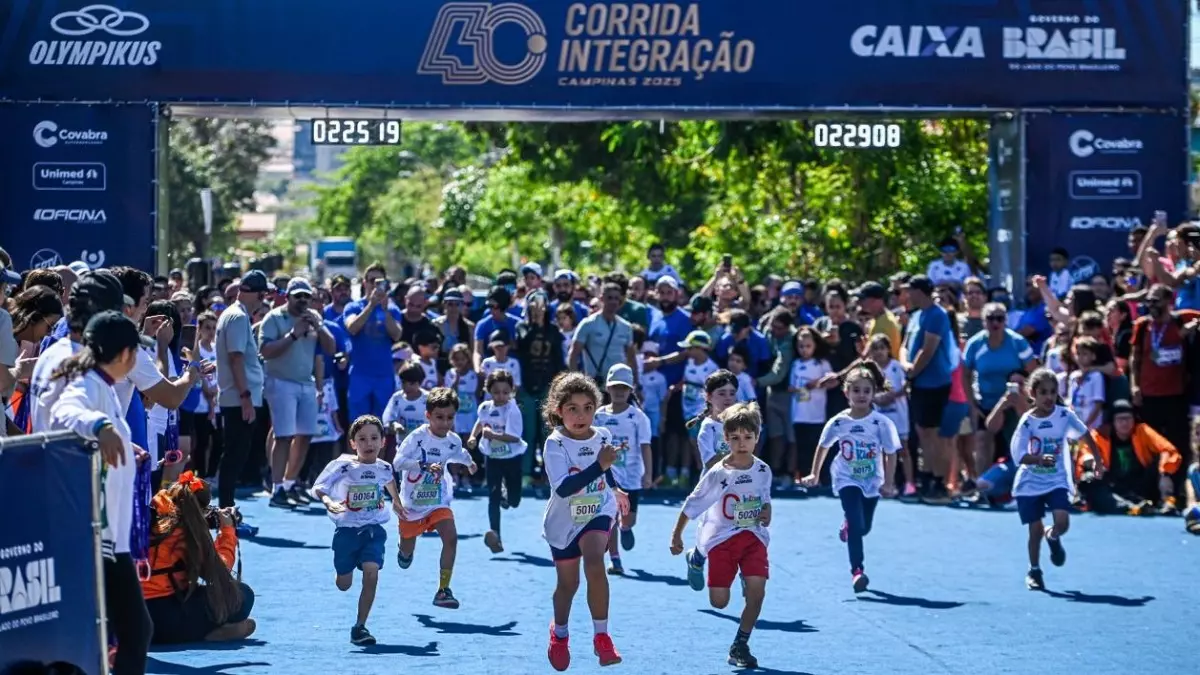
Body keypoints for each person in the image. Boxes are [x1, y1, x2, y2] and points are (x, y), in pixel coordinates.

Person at [45, 310, 153, 673]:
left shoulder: (102, 384)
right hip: (99, 539)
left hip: (109, 538)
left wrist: (125, 446)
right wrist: (102, 426)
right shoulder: (90, 383)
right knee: (134, 630)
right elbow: (66, 411)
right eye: (136, 351)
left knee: (114, 633)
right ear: (124, 354)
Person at [671, 402, 771, 669]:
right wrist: (676, 536)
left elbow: (764, 499)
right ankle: (696, 557)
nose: (742, 443)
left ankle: (741, 644)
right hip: (721, 541)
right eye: (735, 438)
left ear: (756, 438)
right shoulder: (718, 473)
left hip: (753, 538)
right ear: (725, 439)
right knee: (719, 601)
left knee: (757, 592)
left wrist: (766, 512)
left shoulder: (763, 470)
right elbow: (693, 503)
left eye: (748, 437)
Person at [541, 372, 630, 671]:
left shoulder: (602, 435)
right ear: (558, 411)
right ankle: (560, 634)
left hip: (598, 511)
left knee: (594, 561)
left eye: (588, 407)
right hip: (564, 520)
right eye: (573, 409)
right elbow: (564, 488)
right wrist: (600, 465)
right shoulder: (555, 444)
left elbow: (605, 471)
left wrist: (616, 490)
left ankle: (602, 637)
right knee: (568, 584)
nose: (581, 415)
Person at [802, 361, 900, 593]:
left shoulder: (881, 423)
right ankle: (857, 571)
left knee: (863, 527)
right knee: (857, 524)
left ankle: (850, 524)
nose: (861, 395)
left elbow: (891, 453)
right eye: (856, 390)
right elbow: (823, 446)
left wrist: (888, 482)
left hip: (872, 480)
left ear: (874, 393)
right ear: (846, 392)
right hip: (846, 478)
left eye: (867, 391)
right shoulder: (839, 422)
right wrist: (814, 474)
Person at [313, 415, 403, 645]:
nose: (368, 443)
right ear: (353, 443)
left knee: (372, 572)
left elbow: (389, 481)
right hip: (347, 532)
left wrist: (396, 501)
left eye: (374, 438)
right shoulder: (343, 466)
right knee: (344, 584)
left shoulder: (384, 467)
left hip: (373, 529)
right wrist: (328, 502)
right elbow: (320, 487)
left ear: (383, 442)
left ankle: (360, 626)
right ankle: (344, 569)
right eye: (362, 439)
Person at [1010, 368, 1101, 590]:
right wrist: (1039, 459)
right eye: (1043, 392)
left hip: (1056, 480)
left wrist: (1098, 460)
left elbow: (1085, 434)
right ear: (1033, 394)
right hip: (1030, 483)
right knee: (1034, 530)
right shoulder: (1027, 422)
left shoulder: (1064, 415)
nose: (1048, 397)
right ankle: (1034, 570)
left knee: (1062, 521)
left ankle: (1053, 536)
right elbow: (1018, 454)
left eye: (1052, 392)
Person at [141, 473, 255, 644]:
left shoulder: (145, 517)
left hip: (130, 619)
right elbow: (219, 573)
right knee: (243, 595)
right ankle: (207, 633)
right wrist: (227, 530)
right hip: (166, 619)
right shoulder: (188, 531)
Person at [392, 387, 478, 608]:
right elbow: (398, 462)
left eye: (450, 417)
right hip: (412, 504)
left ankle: (443, 590)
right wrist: (422, 465)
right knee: (406, 552)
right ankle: (404, 548)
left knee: (451, 538)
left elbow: (459, 453)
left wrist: (469, 463)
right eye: (439, 417)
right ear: (428, 415)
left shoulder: (453, 440)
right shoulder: (418, 438)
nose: (445, 423)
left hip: (438, 501)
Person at [259, 278, 336, 508]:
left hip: (306, 383)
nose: (303, 300)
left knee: (305, 435)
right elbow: (266, 351)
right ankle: (276, 488)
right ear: (288, 296)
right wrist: (293, 334)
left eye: (306, 296)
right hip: (281, 382)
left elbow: (331, 349)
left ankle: (291, 484)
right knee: (283, 436)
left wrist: (319, 327)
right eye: (298, 296)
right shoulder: (274, 318)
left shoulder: (313, 317)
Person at [215, 271, 269, 510]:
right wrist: (245, 397)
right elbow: (236, 357)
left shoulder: (235, 315)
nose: (262, 300)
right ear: (256, 294)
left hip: (237, 397)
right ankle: (226, 510)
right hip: (238, 399)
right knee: (234, 457)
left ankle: (227, 509)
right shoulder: (237, 317)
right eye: (262, 294)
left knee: (235, 456)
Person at [594, 363, 652, 575]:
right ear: (607, 388)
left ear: (630, 390)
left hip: (632, 477)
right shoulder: (598, 416)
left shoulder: (638, 417)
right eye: (615, 387)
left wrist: (648, 474)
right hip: (607, 477)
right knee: (610, 516)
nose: (619, 392)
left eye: (624, 388)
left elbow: (646, 446)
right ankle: (615, 559)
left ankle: (627, 527)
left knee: (627, 519)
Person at [1075, 400, 1181, 515]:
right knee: (1090, 478)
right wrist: (1093, 462)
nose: (1125, 423)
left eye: (1128, 418)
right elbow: (1085, 453)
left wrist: (1165, 467)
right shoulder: (1100, 435)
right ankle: (1130, 508)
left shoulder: (1143, 430)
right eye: (1120, 419)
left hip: (1142, 484)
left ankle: (1168, 503)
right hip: (1112, 485)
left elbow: (1170, 450)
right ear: (1113, 421)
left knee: (1166, 462)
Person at [467, 369, 527, 554]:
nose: (501, 396)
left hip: (512, 458)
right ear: (489, 391)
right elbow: (480, 421)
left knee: (515, 500)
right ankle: (496, 537)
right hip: (492, 457)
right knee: (492, 497)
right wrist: (473, 436)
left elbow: (514, 437)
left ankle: (507, 496)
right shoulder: (486, 407)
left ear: (511, 391)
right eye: (496, 392)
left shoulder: (512, 409)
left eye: (505, 392)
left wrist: (493, 435)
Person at [344, 264, 402, 419]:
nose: (374, 285)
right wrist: (371, 305)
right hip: (360, 375)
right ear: (364, 283)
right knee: (357, 426)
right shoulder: (353, 307)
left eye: (379, 281)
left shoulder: (392, 309)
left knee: (382, 424)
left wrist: (384, 309)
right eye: (371, 281)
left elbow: (397, 334)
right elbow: (352, 327)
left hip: (384, 376)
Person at [693, 370, 739, 470]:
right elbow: (710, 463)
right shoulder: (708, 427)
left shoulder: (740, 423)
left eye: (732, 393)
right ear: (709, 397)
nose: (728, 398)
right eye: (722, 394)